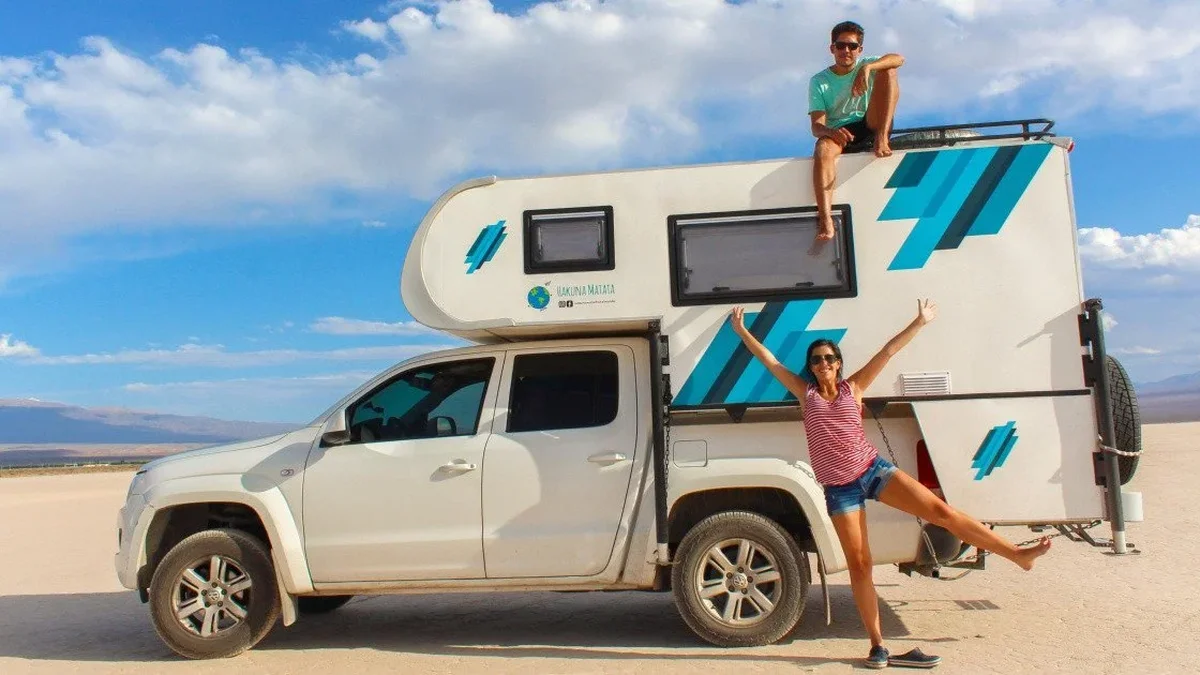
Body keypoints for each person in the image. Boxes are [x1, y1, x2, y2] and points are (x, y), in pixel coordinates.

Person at [729, 299, 1051, 670]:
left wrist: (920, 321)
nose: (823, 364)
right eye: (816, 360)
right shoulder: (807, 394)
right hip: (840, 488)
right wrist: (742, 332)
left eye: (829, 358)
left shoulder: (853, 388)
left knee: (941, 512)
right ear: (811, 367)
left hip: (872, 470)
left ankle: (1017, 554)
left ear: (839, 363)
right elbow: (770, 362)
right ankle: (878, 646)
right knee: (860, 564)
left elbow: (888, 351)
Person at [808, 21, 904, 244]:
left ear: (860, 50)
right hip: (841, 131)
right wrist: (831, 132)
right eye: (840, 46)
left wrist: (868, 68)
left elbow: (899, 59)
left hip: (873, 122)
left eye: (852, 46)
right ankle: (826, 221)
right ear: (832, 48)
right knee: (822, 148)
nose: (846, 51)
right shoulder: (819, 81)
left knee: (888, 71)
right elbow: (816, 127)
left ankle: (882, 138)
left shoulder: (867, 64)